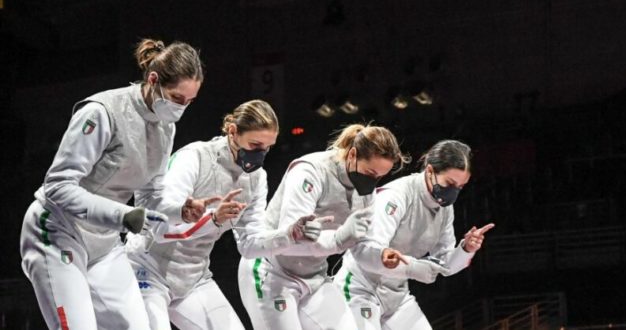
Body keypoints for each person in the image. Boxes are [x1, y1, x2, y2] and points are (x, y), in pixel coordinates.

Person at [19, 38, 204, 330]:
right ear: (153, 80)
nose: (182, 108)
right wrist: (122, 216)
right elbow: (57, 186)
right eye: (176, 98)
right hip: (57, 231)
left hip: (104, 242)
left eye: (189, 102)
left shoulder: (166, 128)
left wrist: (180, 211)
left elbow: (149, 197)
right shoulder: (102, 111)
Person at [126, 99, 320, 330]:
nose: (260, 154)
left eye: (267, 148)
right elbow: (159, 228)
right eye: (255, 145)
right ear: (233, 131)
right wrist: (212, 219)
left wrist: (289, 235)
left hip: (194, 278)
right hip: (147, 270)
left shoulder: (257, 179)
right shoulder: (194, 157)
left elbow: (250, 245)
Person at [238, 123, 409, 330]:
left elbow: (362, 245)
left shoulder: (366, 193)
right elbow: (289, 241)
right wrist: (338, 238)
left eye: (379, 176)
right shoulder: (310, 171)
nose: (373, 181)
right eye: (370, 172)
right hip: (271, 270)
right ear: (353, 154)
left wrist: (380, 255)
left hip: (315, 277)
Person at [335, 140, 494, 330]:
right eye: (450, 183)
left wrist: (466, 249)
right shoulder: (396, 196)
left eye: (460, 187)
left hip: (397, 295)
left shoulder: (445, 209)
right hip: (359, 288)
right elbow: (368, 253)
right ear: (429, 171)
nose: (453, 192)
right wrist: (414, 267)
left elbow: (444, 265)